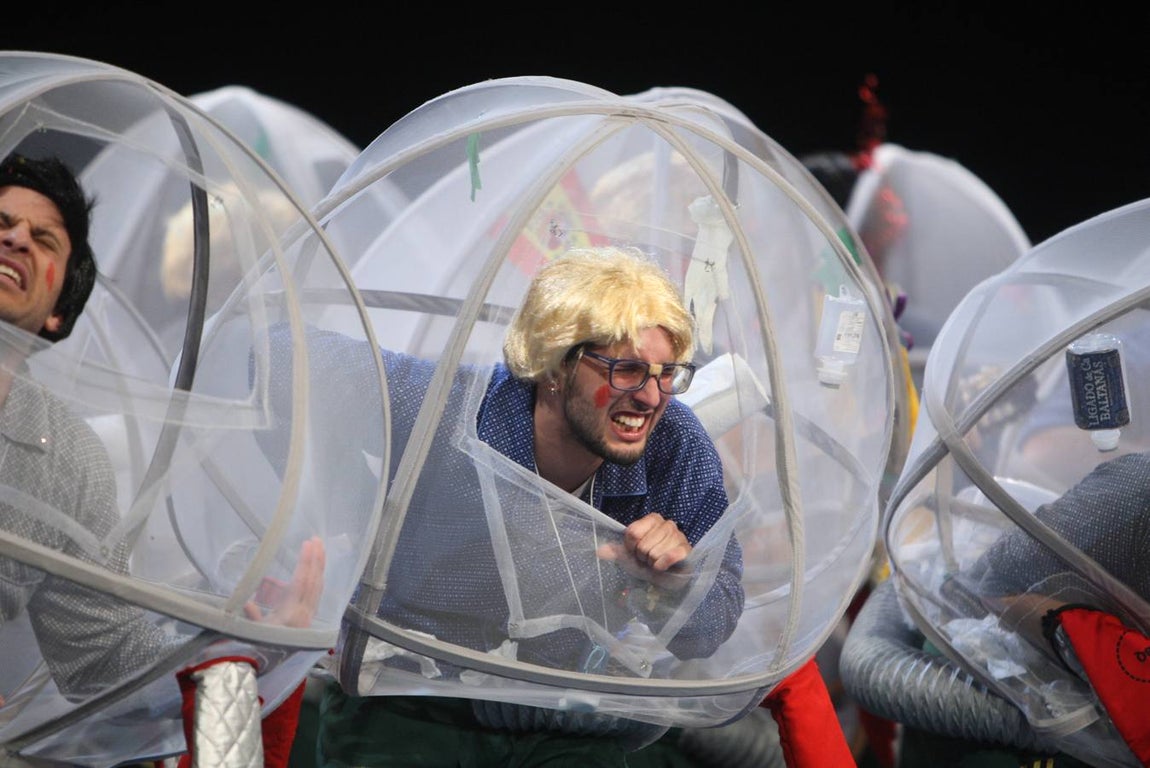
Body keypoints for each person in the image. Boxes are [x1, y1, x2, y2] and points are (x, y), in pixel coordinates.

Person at [272, 245, 751, 766]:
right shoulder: (447, 408)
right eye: (627, 371)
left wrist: (668, 583)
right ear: (555, 366)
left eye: (666, 374)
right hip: (411, 708)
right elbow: (272, 358)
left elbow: (711, 627)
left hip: (566, 724)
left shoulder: (673, 445)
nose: (653, 398)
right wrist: (345, 508)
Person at [0, 152, 324, 766]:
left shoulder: (66, 455)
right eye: (0, 223)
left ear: (56, 313)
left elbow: (100, 650)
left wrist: (239, 648)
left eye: (42, 239)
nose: (14, 238)